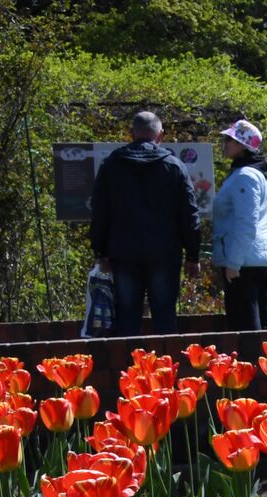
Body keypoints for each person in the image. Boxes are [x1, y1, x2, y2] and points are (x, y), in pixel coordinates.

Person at [89, 111, 200, 336]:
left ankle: (131, 368)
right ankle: (165, 368)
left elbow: (100, 211)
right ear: (160, 135)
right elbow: (189, 213)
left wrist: (100, 251)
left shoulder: (111, 165)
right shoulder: (174, 166)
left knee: (127, 317)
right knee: (165, 315)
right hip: (165, 253)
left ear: (131, 134)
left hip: (122, 251)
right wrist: (193, 256)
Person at [212, 119, 267, 330]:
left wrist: (233, 262)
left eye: (229, 139)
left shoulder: (245, 176)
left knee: (245, 324)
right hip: (257, 259)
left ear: (242, 145)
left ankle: (252, 362)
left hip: (245, 263)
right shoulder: (259, 173)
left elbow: (246, 221)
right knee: (263, 318)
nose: (224, 143)